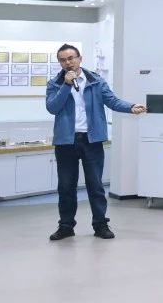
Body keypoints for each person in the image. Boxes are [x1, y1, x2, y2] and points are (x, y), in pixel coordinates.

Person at [44, 44, 146, 241]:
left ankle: (100, 225)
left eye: (71, 58)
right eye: (63, 60)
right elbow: (52, 107)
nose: (68, 62)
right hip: (65, 142)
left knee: (95, 185)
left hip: (91, 140)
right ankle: (66, 226)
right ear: (60, 63)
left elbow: (112, 101)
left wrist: (131, 107)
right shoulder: (55, 84)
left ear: (80, 58)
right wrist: (66, 85)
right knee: (66, 186)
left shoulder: (96, 81)